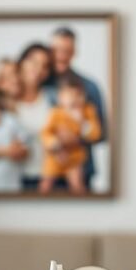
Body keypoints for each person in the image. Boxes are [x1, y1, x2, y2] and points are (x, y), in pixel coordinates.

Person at [44, 27, 108, 191]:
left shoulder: (90, 86)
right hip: (47, 170)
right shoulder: (40, 84)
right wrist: (55, 142)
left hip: (81, 169)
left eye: (67, 50)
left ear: (74, 52)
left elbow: (102, 133)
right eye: (56, 50)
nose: (61, 55)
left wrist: (76, 137)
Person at [39, 74, 102, 194]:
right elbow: (45, 132)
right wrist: (54, 143)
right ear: (60, 97)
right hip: (55, 157)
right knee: (46, 185)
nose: (74, 99)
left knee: (77, 185)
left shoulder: (87, 111)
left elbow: (96, 134)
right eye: (69, 95)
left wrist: (82, 122)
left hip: (74, 158)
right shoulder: (56, 112)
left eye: (78, 95)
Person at [13, 42, 54, 191]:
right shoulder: (6, 100)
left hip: (50, 178)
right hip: (14, 179)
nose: (39, 70)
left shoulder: (53, 97)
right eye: (34, 62)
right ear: (21, 63)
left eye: (45, 66)